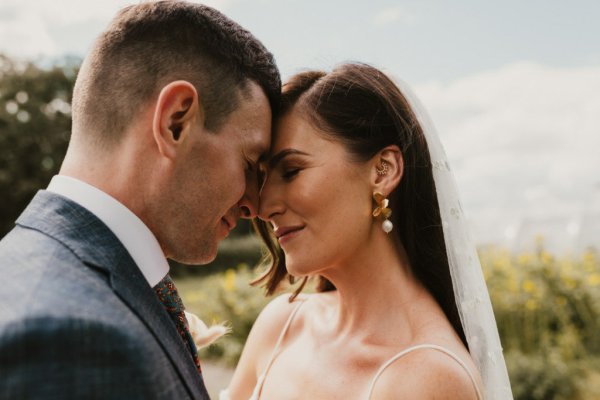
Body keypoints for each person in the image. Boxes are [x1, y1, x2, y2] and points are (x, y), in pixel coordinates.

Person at [0, 1, 279, 399]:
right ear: (176, 122)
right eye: (251, 164)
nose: (254, 204)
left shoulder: (29, 267)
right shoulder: (71, 342)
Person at [222, 63, 513, 399]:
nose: (263, 205)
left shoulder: (430, 378)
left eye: (291, 171)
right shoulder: (281, 325)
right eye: (261, 178)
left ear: (382, 170)